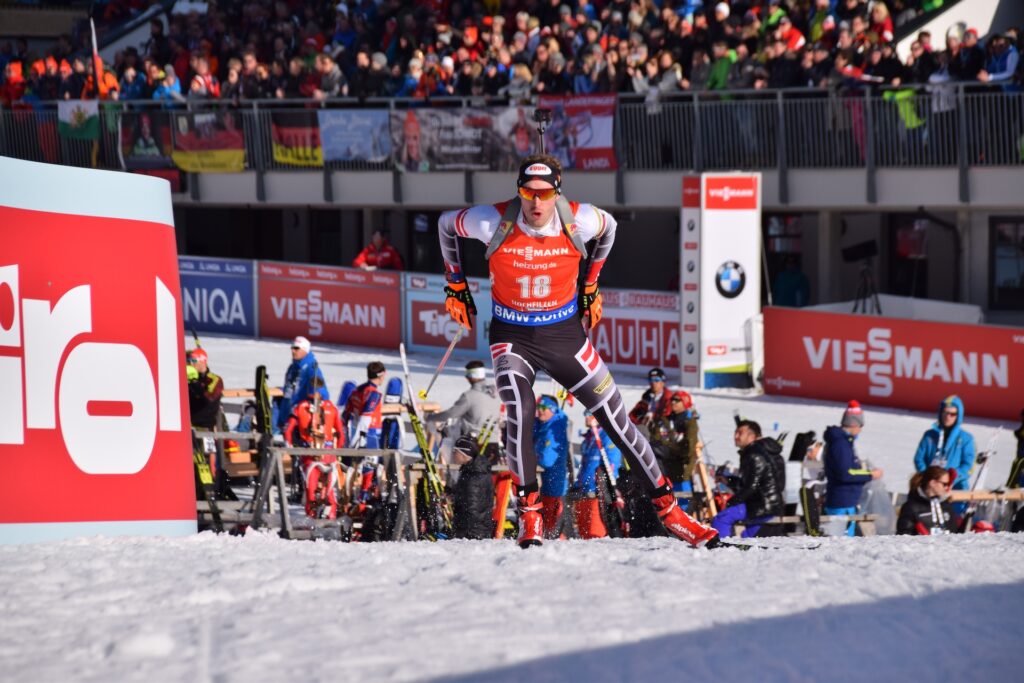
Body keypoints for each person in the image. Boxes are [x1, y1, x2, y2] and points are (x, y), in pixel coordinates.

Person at [437, 153, 718, 548]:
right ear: (519, 191)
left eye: (545, 193)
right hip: (513, 336)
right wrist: (455, 284)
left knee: (617, 421)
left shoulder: (579, 219)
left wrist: (590, 285)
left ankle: (671, 512)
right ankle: (530, 514)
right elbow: (445, 224)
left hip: (565, 337)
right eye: (528, 193)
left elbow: (611, 227)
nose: (536, 203)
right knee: (520, 410)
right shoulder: (493, 220)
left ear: (557, 192)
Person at [711, 420, 786, 538]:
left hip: (763, 506)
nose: (736, 436)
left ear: (752, 436)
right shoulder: (753, 452)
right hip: (763, 505)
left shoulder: (755, 454)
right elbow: (749, 484)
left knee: (721, 519)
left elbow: (752, 486)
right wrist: (728, 481)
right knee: (748, 540)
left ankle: (721, 545)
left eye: (740, 433)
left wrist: (731, 502)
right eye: (735, 432)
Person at [283, 378, 346, 519]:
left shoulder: (307, 407)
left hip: (319, 455)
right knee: (319, 491)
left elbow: (287, 430)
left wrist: (290, 446)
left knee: (321, 491)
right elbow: (341, 433)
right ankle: (319, 519)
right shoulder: (305, 407)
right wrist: (338, 450)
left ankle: (322, 519)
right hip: (316, 455)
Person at [823, 400, 883, 536]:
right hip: (842, 502)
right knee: (840, 542)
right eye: (861, 425)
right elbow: (845, 474)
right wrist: (870, 475)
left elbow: (849, 469)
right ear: (854, 424)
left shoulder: (844, 442)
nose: (860, 430)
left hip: (846, 501)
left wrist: (866, 471)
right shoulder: (840, 444)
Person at [913, 395, 975, 514]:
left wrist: (950, 480)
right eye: (945, 412)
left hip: (954, 490)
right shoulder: (929, 435)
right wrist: (929, 479)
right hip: (929, 489)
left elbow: (968, 466)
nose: (948, 416)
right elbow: (919, 459)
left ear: (958, 416)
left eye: (952, 414)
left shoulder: (966, 439)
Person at [574, 410, 623, 539]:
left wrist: (605, 489)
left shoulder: (607, 436)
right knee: (583, 535)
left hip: (597, 493)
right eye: (585, 414)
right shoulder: (590, 436)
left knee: (595, 535)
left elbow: (612, 464)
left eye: (589, 414)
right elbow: (585, 465)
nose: (586, 417)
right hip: (583, 490)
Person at [432, 360, 502, 445]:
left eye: (468, 375)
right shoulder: (496, 394)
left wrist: (431, 417)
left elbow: (451, 414)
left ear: (472, 376)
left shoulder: (469, 396)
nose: (466, 378)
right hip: (494, 443)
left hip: (474, 444)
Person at [533, 395, 571, 539]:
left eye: (544, 407)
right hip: (547, 486)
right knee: (548, 530)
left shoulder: (555, 427)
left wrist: (533, 456)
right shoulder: (544, 425)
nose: (540, 411)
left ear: (553, 409)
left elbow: (547, 460)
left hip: (556, 488)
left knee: (555, 532)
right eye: (538, 407)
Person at [277, 336, 328, 433]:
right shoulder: (292, 368)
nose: (293, 351)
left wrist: (315, 421)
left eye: (296, 348)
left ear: (305, 350)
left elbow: (320, 393)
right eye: (292, 348)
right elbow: (289, 392)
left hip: (302, 421)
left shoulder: (312, 369)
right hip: (288, 418)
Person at [451, 434, 496, 540]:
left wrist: (463, 531)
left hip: (473, 532)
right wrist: (452, 493)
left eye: (455, 450)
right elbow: (466, 497)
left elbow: (473, 507)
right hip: (476, 529)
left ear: (464, 454)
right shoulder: (471, 470)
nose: (453, 453)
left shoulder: (474, 475)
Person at [896, 465, 957, 535]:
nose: (947, 488)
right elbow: (903, 535)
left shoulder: (946, 505)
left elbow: (954, 533)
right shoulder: (911, 507)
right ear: (932, 483)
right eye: (945, 484)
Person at [343, 361, 387, 449]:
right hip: (370, 433)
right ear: (381, 376)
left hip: (357, 430)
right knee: (371, 457)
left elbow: (346, 414)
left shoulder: (357, 390)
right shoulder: (374, 394)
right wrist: (359, 439)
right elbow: (365, 418)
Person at [186, 348, 223, 431]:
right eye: (189, 361)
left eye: (194, 361)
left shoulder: (214, 379)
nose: (191, 364)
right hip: (187, 424)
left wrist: (195, 383)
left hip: (205, 426)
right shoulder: (187, 378)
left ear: (203, 361)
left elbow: (209, 399)